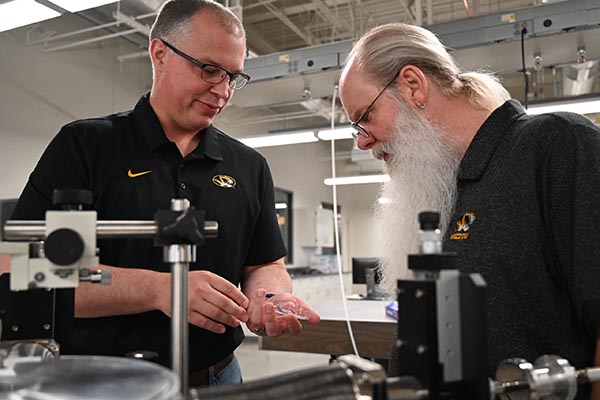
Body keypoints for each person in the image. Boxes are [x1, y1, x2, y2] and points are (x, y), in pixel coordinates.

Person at [6, 0, 319, 387]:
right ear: (159, 54)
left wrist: (268, 299)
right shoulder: (86, 146)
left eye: (233, 77)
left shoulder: (248, 166)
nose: (222, 90)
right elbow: (24, 270)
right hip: (101, 384)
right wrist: (161, 289)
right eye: (209, 70)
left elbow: (264, 264)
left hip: (218, 379)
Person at [338, 22, 600, 399]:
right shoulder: (438, 186)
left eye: (365, 117)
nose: (362, 141)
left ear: (413, 86)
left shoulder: (557, 146)